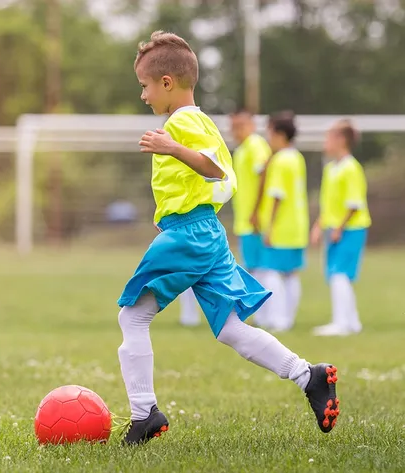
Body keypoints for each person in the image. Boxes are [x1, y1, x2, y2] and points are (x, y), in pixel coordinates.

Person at [117, 31, 339, 446]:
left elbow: (215, 169)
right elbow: (209, 183)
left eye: (145, 87)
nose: (144, 96)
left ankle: (144, 412)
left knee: (132, 316)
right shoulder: (193, 122)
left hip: (192, 236)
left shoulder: (183, 122)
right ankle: (309, 375)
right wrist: (170, 215)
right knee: (231, 328)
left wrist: (170, 147)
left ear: (167, 82)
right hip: (203, 233)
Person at [311, 119, 371, 336]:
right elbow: (328, 203)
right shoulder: (331, 169)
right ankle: (352, 321)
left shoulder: (351, 168)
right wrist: (319, 225)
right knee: (335, 274)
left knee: (339, 274)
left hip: (350, 230)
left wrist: (339, 227)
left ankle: (341, 323)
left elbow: (355, 203)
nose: (325, 142)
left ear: (342, 140)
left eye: (329, 137)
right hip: (335, 229)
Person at [259, 111, 309, 332]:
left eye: (269, 132)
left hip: (282, 225)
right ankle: (288, 318)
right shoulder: (297, 157)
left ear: (279, 133)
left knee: (271, 272)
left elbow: (277, 196)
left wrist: (269, 227)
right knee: (290, 273)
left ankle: (278, 319)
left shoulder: (280, 160)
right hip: (298, 225)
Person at [230, 109, 271, 328]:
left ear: (251, 125)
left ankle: (267, 314)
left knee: (259, 267)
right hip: (245, 219)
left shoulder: (255, 145)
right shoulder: (242, 149)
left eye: (239, 125)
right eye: (232, 125)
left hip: (255, 220)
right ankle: (261, 314)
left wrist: (256, 211)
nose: (234, 130)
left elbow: (264, 174)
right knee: (252, 265)